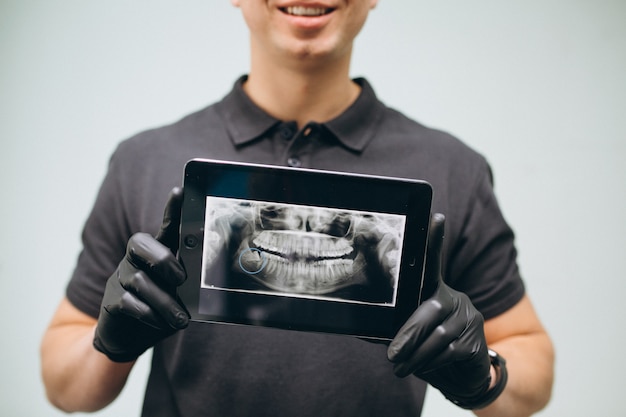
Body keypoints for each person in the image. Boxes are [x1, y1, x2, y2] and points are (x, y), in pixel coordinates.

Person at [40, 1, 554, 416]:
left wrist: (481, 375)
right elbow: (66, 389)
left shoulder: (453, 168)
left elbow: (532, 364)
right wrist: (110, 346)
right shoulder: (143, 161)